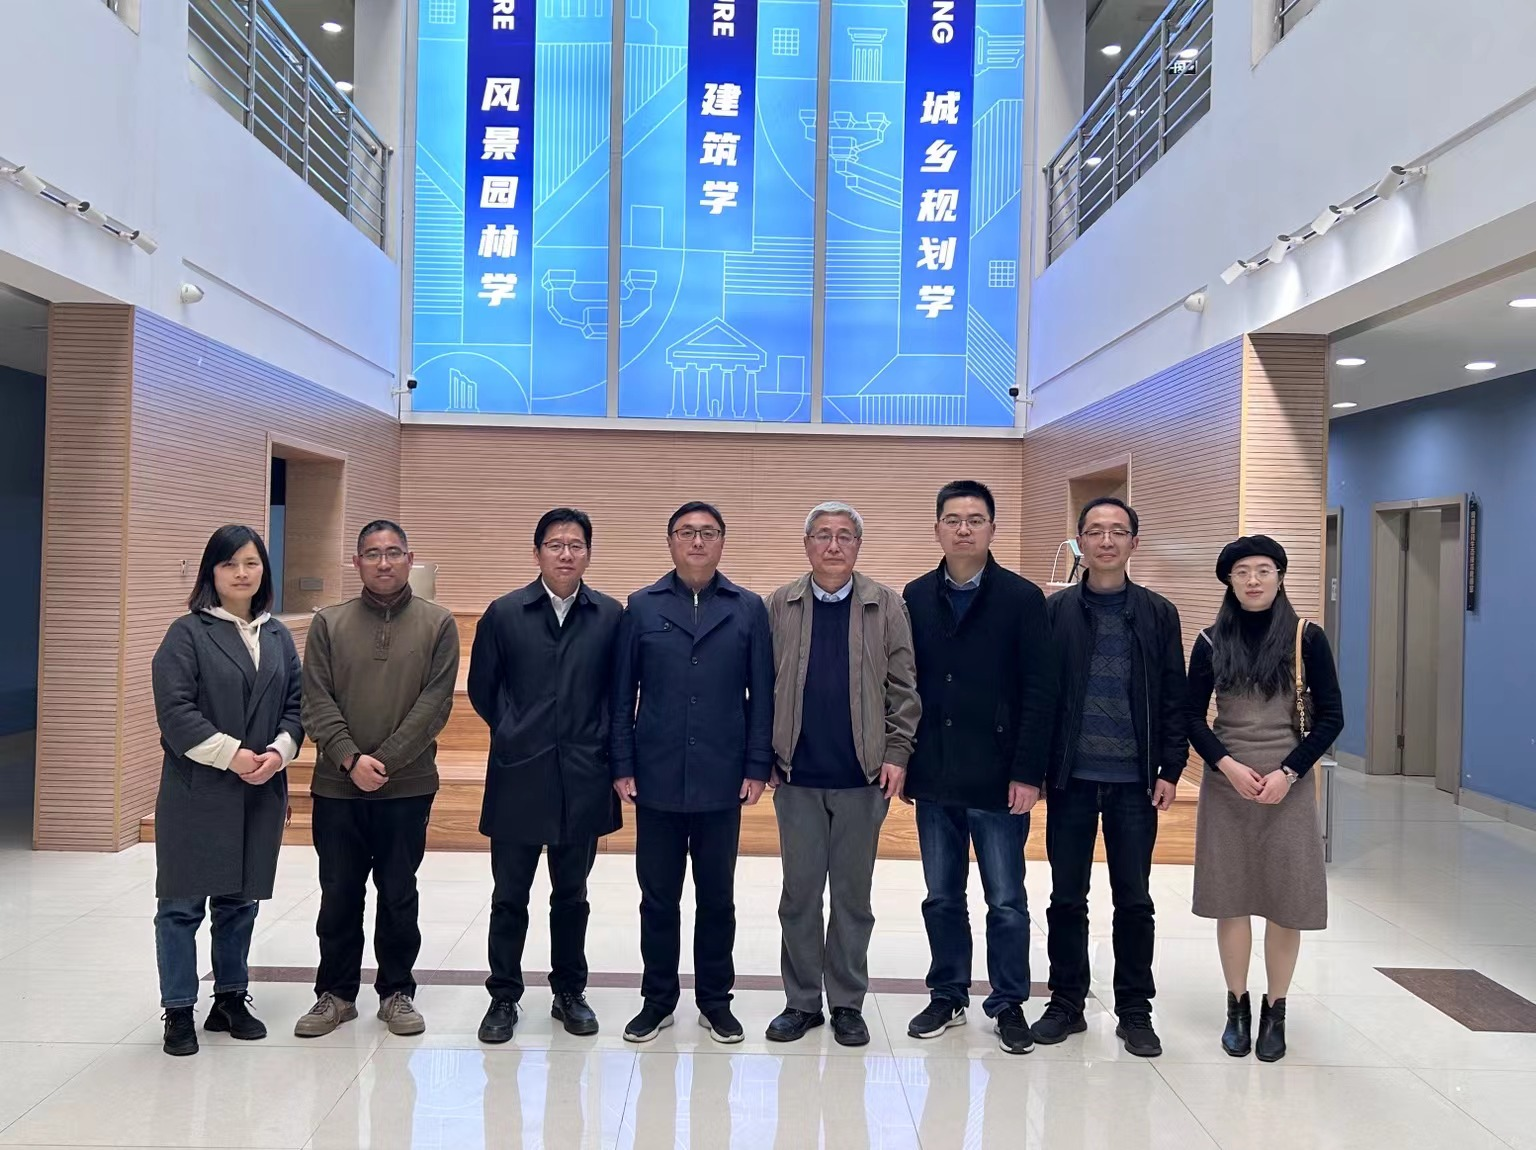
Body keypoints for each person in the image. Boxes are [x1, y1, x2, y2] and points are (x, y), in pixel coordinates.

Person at [902, 480, 1057, 1055]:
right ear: (936, 529)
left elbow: (1040, 690)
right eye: (953, 519)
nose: (963, 529)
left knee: (1006, 900)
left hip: (999, 776)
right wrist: (904, 759)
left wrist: (1029, 772)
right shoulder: (915, 596)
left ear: (992, 528)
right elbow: (903, 686)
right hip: (936, 772)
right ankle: (947, 994)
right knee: (941, 896)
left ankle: (1008, 1001)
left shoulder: (1022, 598)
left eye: (974, 519)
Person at [610, 501, 774, 1045]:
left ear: (723, 542)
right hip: (656, 775)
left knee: (717, 899)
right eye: (686, 532)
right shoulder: (642, 606)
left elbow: (762, 694)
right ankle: (657, 1000)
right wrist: (623, 763)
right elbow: (622, 695)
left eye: (708, 533)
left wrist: (756, 765)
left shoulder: (747, 608)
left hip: (722, 777)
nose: (697, 542)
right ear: (670, 542)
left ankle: (715, 1001)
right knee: (658, 898)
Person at [764, 502, 921, 1047]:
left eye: (845, 536)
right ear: (806, 544)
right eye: (823, 535)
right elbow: (759, 685)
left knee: (853, 899)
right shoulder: (779, 604)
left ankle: (848, 1003)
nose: (833, 545)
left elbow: (905, 688)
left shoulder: (886, 604)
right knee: (799, 897)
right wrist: (763, 755)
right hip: (796, 777)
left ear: (858, 545)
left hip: (863, 778)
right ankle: (802, 1002)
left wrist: (897, 752)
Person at [296, 519, 459, 1038]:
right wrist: (350, 759)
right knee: (338, 893)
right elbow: (315, 699)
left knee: (398, 892)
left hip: (407, 786)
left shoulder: (438, 623)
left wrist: (383, 761)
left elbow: (435, 704)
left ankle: (396, 993)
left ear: (410, 559)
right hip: (336, 787)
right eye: (372, 553)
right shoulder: (329, 623)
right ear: (356, 562)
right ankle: (336, 994)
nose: (383, 562)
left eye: (393, 553)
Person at [1037, 497, 1188, 1058]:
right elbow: (1040, 696)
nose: (1106, 541)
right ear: (1080, 542)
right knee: (1066, 897)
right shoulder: (1055, 612)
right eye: (1095, 531)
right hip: (1071, 779)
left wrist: (1171, 767)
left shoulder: (1158, 613)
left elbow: (1174, 696)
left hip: (1134, 782)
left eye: (1118, 531)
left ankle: (1135, 1010)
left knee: (1135, 899)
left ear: (1133, 543)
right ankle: (1066, 1002)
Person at [467, 508, 623, 1043]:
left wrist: (598, 740)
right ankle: (503, 996)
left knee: (572, 895)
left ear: (588, 554)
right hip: (519, 773)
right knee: (509, 895)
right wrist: (515, 730)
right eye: (555, 544)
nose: (565, 554)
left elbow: (618, 690)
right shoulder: (505, 613)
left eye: (575, 545)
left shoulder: (609, 615)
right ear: (536, 553)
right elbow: (484, 689)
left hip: (583, 774)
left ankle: (569, 992)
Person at [1187, 535, 1343, 1062]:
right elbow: (1189, 717)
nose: (1253, 580)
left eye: (1263, 570)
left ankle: (1276, 1010)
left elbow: (1332, 718)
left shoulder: (1307, 638)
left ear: (1280, 576)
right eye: (1242, 572)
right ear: (1229, 582)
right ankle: (1237, 1006)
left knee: (1285, 902)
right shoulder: (1210, 641)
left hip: (1288, 788)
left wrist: (1289, 772)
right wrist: (1227, 766)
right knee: (1230, 900)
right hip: (1226, 786)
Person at [150, 525, 302, 1057]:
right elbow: (175, 711)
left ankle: (230, 998)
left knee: (239, 902)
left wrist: (278, 752)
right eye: (229, 563)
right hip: (199, 789)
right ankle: (178, 1009)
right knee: (182, 905)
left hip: (260, 786)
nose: (242, 573)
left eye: (251, 563)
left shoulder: (277, 635)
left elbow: (296, 705)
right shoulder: (187, 634)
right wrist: (232, 755)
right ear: (210, 572)